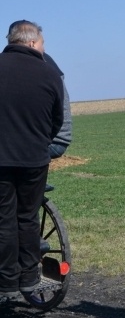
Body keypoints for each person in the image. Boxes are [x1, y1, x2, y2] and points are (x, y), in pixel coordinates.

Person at [0, 20, 64, 296]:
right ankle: (28, 277)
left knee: (4, 218)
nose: (43, 48)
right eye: (42, 43)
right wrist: (40, 140)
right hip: (34, 158)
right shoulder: (48, 73)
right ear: (32, 42)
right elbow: (57, 119)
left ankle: (6, 280)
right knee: (27, 217)